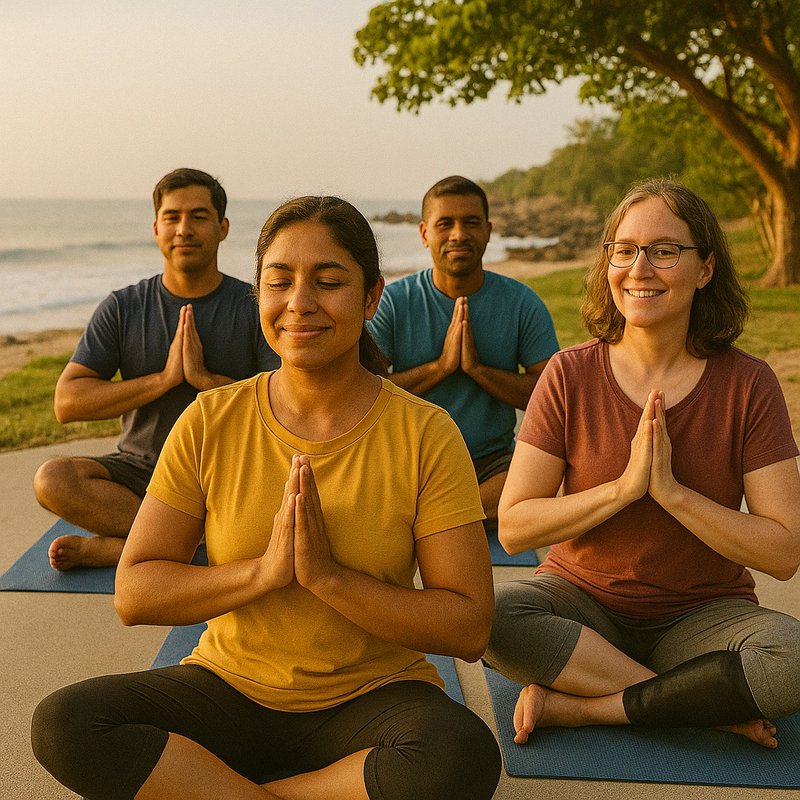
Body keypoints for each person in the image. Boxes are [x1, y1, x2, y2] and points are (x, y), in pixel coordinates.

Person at [31, 196, 501, 800]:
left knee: (457, 757)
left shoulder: (425, 433)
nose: (300, 303)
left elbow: (467, 626)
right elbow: (136, 590)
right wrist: (264, 573)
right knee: (66, 723)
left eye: (328, 282)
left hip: (371, 698)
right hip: (228, 688)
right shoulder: (211, 419)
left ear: (371, 297)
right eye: (279, 282)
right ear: (260, 294)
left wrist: (328, 578)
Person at [485, 179, 800, 748]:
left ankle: (585, 708)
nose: (639, 268)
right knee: (488, 615)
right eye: (624, 250)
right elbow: (513, 527)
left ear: (705, 269)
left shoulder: (749, 384)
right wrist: (624, 489)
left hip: (703, 616)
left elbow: (782, 552)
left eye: (664, 251)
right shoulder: (569, 374)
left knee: (792, 661)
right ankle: (692, 703)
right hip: (579, 606)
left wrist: (673, 493)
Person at [33, 168, 278, 571]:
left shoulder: (254, 306)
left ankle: (124, 547)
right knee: (52, 479)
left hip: (224, 472)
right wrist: (163, 380)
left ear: (223, 227)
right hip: (139, 471)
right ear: (156, 228)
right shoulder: (124, 307)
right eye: (172, 217)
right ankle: (188, 539)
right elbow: (67, 403)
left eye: (199, 217)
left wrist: (206, 383)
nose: (184, 229)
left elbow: (286, 400)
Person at [368, 176, 559, 520]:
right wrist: (439, 367)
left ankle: (435, 514)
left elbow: (549, 395)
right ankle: (456, 513)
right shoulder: (394, 303)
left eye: (471, 223)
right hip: (409, 460)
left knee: (539, 473)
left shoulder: (521, 303)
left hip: (492, 466)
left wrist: (478, 370)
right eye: (446, 224)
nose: (459, 234)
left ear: (488, 231)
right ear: (425, 233)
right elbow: (362, 390)